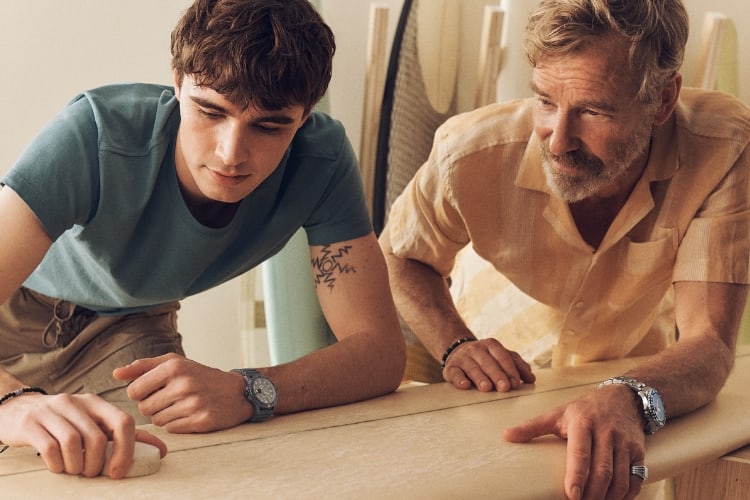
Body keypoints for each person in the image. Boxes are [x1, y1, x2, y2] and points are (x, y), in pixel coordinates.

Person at [0, 0, 406, 480]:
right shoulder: (94, 133)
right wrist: (12, 401)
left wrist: (248, 389)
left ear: (306, 114)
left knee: (167, 466)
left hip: (124, 329)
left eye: (269, 125)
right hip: (12, 309)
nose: (230, 153)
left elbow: (379, 352)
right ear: (177, 81)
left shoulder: (322, 161)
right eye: (210, 110)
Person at [380, 0, 749, 498]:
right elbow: (399, 254)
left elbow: (709, 342)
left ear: (663, 100)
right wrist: (455, 343)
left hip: (632, 374)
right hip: (482, 380)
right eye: (546, 102)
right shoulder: (468, 152)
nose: (558, 142)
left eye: (593, 111)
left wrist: (630, 397)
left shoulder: (723, 148)